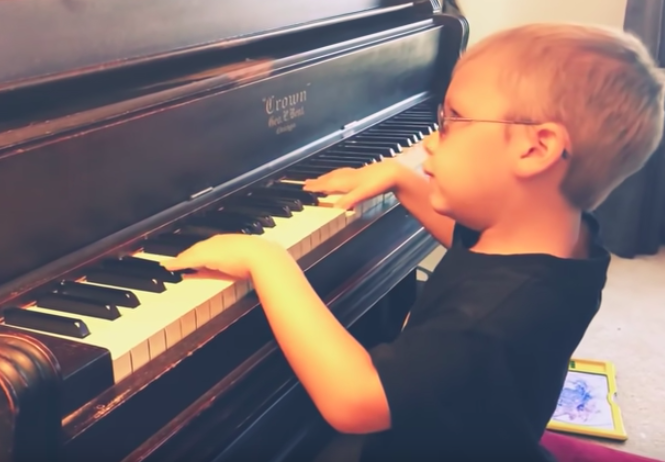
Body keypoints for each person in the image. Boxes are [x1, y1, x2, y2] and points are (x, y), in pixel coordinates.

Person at [162, 23, 665, 461]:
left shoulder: (488, 320)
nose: (429, 139)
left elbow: (354, 400)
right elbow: (472, 248)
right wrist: (403, 181)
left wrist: (266, 260)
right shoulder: (561, 242)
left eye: (450, 121)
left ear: (536, 148)